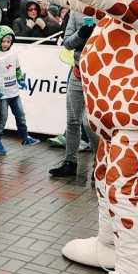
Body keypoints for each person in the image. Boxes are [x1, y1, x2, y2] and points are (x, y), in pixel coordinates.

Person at [49, 13, 101, 178]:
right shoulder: (76, 12)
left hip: (99, 76)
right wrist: (81, 34)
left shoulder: (107, 11)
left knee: (89, 123)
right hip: (77, 73)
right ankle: (70, 163)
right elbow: (67, 43)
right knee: (72, 121)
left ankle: (101, 163)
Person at [0, 26, 39, 153]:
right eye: (3, 41)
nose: (5, 44)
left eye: (8, 42)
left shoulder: (13, 53)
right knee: (2, 117)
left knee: (20, 114)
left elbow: (17, 69)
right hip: (2, 95)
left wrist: (20, 79)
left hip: (14, 92)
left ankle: (24, 136)